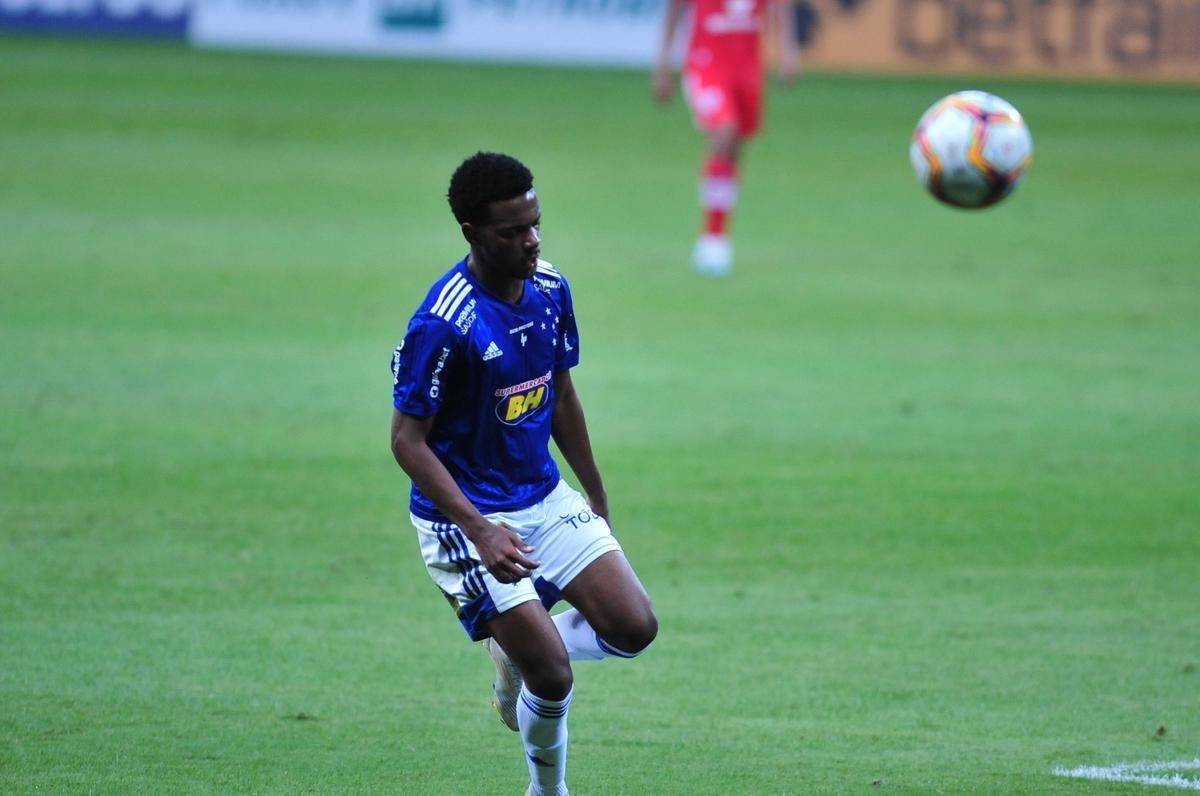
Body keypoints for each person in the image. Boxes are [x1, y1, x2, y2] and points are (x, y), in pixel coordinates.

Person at [389, 152, 658, 796]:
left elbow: (560, 394)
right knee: (554, 677)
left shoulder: (551, 288)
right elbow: (407, 442)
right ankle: (547, 790)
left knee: (634, 627)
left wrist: (594, 491)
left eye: (535, 224)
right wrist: (480, 530)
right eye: (513, 232)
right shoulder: (444, 324)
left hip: (542, 494)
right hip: (466, 517)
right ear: (473, 234)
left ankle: (517, 647)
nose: (532, 240)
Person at [653, 0, 802, 277]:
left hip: (747, 67)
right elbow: (675, 8)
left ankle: (720, 232)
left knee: (734, 147)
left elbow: (780, 6)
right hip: (706, 62)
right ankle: (712, 238)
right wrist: (663, 64)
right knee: (724, 130)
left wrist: (787, 50)